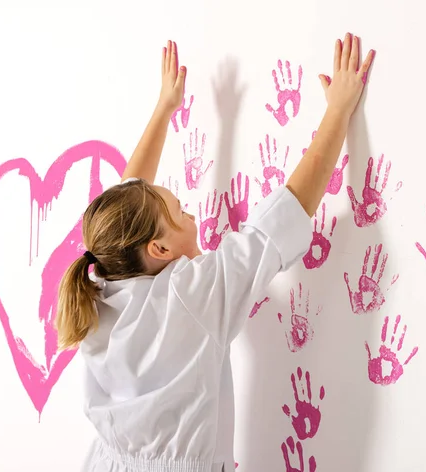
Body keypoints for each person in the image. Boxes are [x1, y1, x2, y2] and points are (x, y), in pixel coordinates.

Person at [56, 35, 375, 472]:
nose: (193, 213)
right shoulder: (193, 294)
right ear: (160, 248)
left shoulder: (99, 284)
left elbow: (123, 204)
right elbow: (282, 217)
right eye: (182, 211)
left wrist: (165, 109)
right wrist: (338, 111)